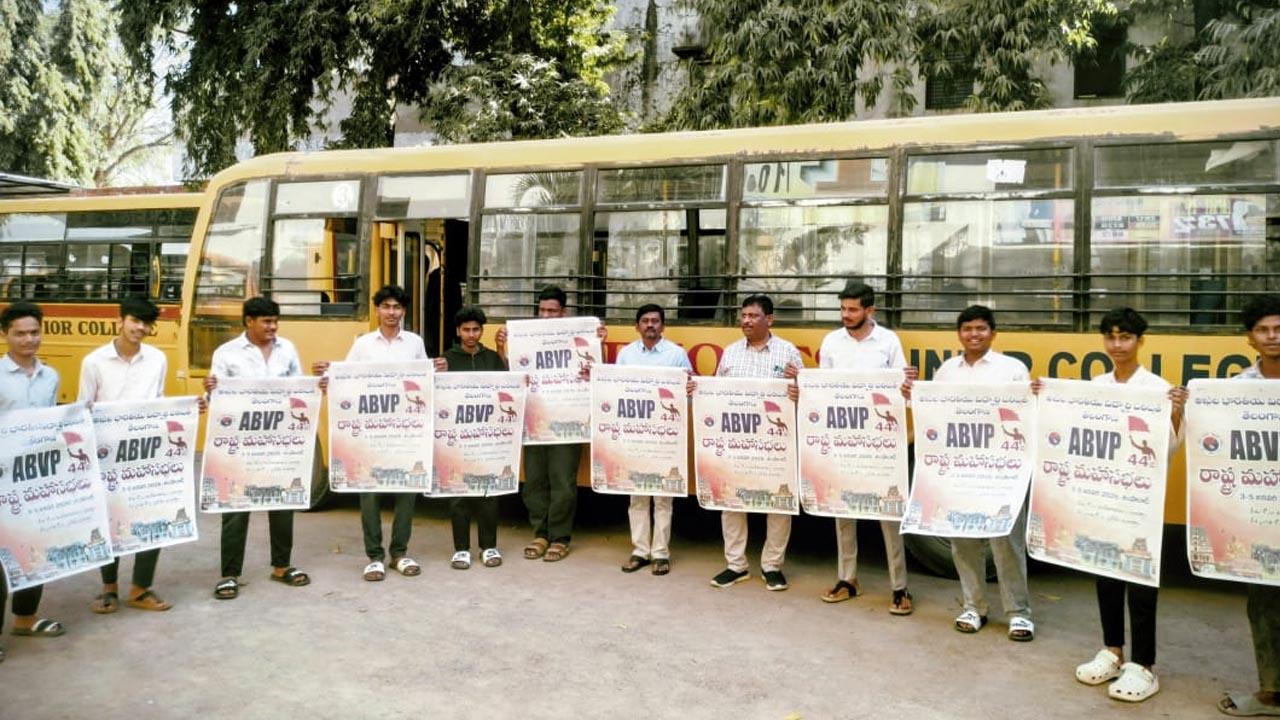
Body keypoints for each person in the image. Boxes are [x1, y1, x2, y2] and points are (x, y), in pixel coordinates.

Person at [1071, 308, 1185, 703]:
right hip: (1104, 496)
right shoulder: (1097, 384)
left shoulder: (1158, 387)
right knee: (1105, 572)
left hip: (1139, 501)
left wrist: (1174, 414)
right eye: (1111, 337)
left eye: (1126, 338)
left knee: (1139, 581)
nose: (1117, 345)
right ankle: (1112, 651)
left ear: (1141, 342)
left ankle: (1145, 664)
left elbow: (1168, 449)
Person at [906, 305, 1035, 640]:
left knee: (1006, 541)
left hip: (1001, 472)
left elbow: (1026, 416)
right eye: (967, 329)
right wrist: (913, 397)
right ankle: (973, 607)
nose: (974, 335)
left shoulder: (1012, 369)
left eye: (980, 329)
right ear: (959, 334)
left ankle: (1018, 613)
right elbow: (935, 414)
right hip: (961, 471)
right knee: (963, 541)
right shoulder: (947, 370)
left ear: (992, 332)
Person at [313, 285, 445, 582]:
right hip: (371, 433)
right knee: (369, 492)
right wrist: (326, 378)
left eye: (397, 307)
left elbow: (424, 381)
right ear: (377, 310)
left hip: (404, 432)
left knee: (407, 491)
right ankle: (374, 556)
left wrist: (438, 369)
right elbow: (346, 379)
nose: (391, 312)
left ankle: (399, 553)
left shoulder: (413, 342)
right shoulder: (363, 345)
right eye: (386, 306)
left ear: (404, 311)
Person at [809, 283, 916, 614]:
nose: (846, 315)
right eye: (842, 309)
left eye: (853, 310)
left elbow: (902, 391)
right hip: (842, 437)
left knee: (888, 513)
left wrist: (907, 383)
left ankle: (900, 587)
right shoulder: (831, 342)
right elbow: (824, 390)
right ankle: (847, 579)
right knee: (844, 510)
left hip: (880, 440)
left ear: (870, 311)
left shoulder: (888, 341)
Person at [205, 297, 311, 599]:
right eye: (266, 321)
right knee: (237, 507)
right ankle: (229, 575)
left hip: (278, 443)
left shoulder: (287, 349)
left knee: (282, 503)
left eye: (275, 321)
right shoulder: (226, 354)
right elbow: (218, 400)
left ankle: (282, 566)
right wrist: (211, 391)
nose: (272, 327)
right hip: (241, 445)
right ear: (248, 321)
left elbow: (298, 388)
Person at [79, 297, 174, 613]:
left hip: (147, 454)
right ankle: (108, 589)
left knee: (152, 518)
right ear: (121, 319)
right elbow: (84, 409)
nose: (141, 329)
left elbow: (158, 400)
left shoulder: (158, 359)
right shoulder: (94, 362)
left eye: (147, 324)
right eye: (136, 321)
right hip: (107, 455)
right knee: (110, 520)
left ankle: (141, 588)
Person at [500, 285, 604, 563]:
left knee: (563, 482)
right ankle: (540, 533)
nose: (546, 316)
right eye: (542, 310)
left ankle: (560, 537)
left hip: (568, 421)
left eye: (552, 311)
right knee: (534, 481)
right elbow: (510, 376)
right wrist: (502, 347)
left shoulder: (579, 338)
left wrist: (597, 345)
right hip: (534, 420)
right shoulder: (528, 339)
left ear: (563, 312)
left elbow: (595, 370)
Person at [709, 294, 802, 591]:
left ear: (769, 319)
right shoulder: (731, 353)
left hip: (775, 442)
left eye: (753, 316)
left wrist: (800, 382)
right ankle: (736, 565)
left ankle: (772, 566)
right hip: (737, 441)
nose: (746, 321)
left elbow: (805, 393)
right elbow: (714, 391)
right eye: (743, 315)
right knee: (732, 501)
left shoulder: (788, 353)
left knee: (778, 502)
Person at [1218, 294, 1280, 717]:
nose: (1272, 336)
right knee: (1263, 602)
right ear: (1249, 338)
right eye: (1263, 330)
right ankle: (1270, 693)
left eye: (1279, 328)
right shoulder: (1236, 389)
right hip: (1261, 517)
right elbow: (1216, 447)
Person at [0, 302, 65, 661]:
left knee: (34, 547)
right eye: (20, 333)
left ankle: (26, 617)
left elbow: (52, 423)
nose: (29, 340)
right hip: (2, 479)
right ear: (5, 334)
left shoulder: (51, 376)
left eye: (34, 332)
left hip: (38, 477)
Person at [615, 304, 693, 576]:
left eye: (656, 321)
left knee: (662, 499)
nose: (650, 325)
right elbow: (616, 393)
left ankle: (660, 553)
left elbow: (688, 394)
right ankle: (639, 551)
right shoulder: (625, 355)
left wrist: (689, 387)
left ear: (663, 326)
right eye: (645, 321)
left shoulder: (676, 355)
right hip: (636, 437)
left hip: (664, 437)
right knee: (637, 497)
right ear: (637, 326)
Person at [442, 306, 508, 570]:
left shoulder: (491, 358)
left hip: (487, 438)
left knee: (488, 491)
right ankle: (461, 549)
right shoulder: (446, 360)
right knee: (458, 493)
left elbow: (507, 386)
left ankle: (489, 546)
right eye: (466, 329)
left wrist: (502, 352)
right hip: (458, 439)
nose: (471, 335)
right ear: (458, 331)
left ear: (482, 331)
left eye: (476, 329)